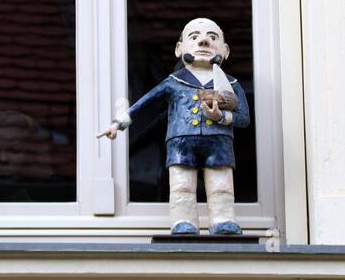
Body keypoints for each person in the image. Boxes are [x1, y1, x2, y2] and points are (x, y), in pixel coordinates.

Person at [103, 17, 250, 236]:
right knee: (182, 186)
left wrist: (221, 117)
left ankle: (223, 220)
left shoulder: (231, 84)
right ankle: (183, 222)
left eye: (212, 37)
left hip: (218, 142)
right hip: (181, 141)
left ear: (225, 51)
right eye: (194, 37)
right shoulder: (174, 81)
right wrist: (119, 124)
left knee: (221, 185)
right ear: (179, 49)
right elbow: (145, 102)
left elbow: (244, 118)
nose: (203, 42)